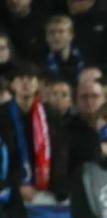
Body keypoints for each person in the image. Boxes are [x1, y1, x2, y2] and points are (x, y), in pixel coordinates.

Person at [0, 63, 68, 202]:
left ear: (38, 84)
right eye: (20, 78)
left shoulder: (50, 115)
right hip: (8, 190)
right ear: (13, 85)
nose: (25, 83)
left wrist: (53, 187)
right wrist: (15, 187)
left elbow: (59, 153)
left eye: (30, 78)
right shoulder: (2, 114)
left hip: (45, 190)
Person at [43, 15, 85, 85]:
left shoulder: (85, 59)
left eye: (61, 32)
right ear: (46, 37)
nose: (56, 36)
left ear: (71, 35)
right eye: (51, 32)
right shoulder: (40, 62)